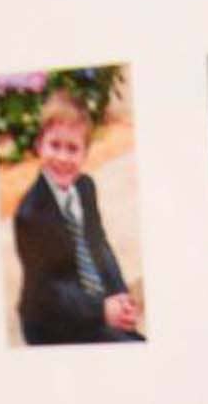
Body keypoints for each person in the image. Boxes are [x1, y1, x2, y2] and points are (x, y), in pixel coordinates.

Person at [10, 89, 144, 346]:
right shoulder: (30, 216)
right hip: (53, 322)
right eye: (54, 145)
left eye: (72, 149)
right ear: (39, 145)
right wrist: (101, 310)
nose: (62, 157)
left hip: (89, 300)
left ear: (85, 153)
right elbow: (48, 292)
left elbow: (99, 245)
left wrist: (120, 294)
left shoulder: (85, 188)